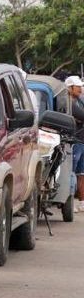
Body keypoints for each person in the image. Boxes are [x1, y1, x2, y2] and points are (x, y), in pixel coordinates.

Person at [66, 76, 84, 211]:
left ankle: (82, 202)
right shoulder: (68, 103)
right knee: (71, 171)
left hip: (81, 141)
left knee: (81, 173)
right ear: (70, 87)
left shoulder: (79, 100)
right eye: (78, 86)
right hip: (75, 141)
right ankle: (69, 202)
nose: (80, 88)